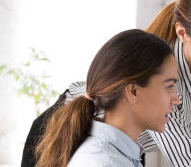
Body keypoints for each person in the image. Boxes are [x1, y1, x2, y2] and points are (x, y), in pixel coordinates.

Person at [26, 0, 191, 167]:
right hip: (61, 133)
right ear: (182, 34)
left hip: (125, 148)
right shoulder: (162, 76)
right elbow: (189, 160)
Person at [34, 29, 180, 167]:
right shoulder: (107, 162)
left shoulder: (117, 156)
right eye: (169, 86)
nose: (176, 100)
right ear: (133, 91)